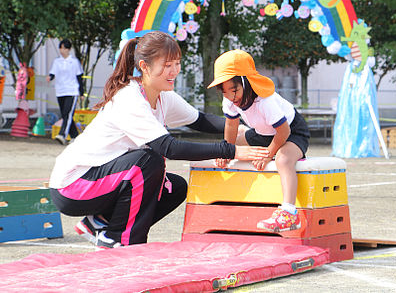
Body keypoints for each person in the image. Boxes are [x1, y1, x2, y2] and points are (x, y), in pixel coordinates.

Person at [48, 32, 269, 249]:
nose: (174, 71)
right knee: (149, 161)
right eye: (167, 65)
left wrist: (251, 131)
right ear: (144, 66)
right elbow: (169, 147)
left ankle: (101, 221)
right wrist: (230, 151)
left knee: (175, 187)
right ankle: (118, 239)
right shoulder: (130, 98)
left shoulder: (163, 95)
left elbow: (201, 121)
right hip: (73, 186)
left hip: (100, 182)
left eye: (177, 63)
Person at [208, 49, 310, 233]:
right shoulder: (230, 101)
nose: (231, 97)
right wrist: (226, 151)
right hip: (262, 133)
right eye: (225, 92)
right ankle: (254, 142)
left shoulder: (264, 100)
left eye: (234, 90)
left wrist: (268, 153)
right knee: (236, 140)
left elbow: (284, 130)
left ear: (246, 82)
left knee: (283, 159)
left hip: (292, 132)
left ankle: (289, 212)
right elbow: (230, 126)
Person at [46, 39, 84, 145]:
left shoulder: (74, 62)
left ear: (69, 49)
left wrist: (82, 93)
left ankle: (62, 135)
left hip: (72, 90)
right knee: (65, 114)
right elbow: (53, 73)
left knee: (67, 113)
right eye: (61, 48)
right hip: (60, 91)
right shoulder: (57, 61)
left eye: (65, 48)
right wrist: (50, 77)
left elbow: (79, 77)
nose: (62, 50)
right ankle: (75, 136)